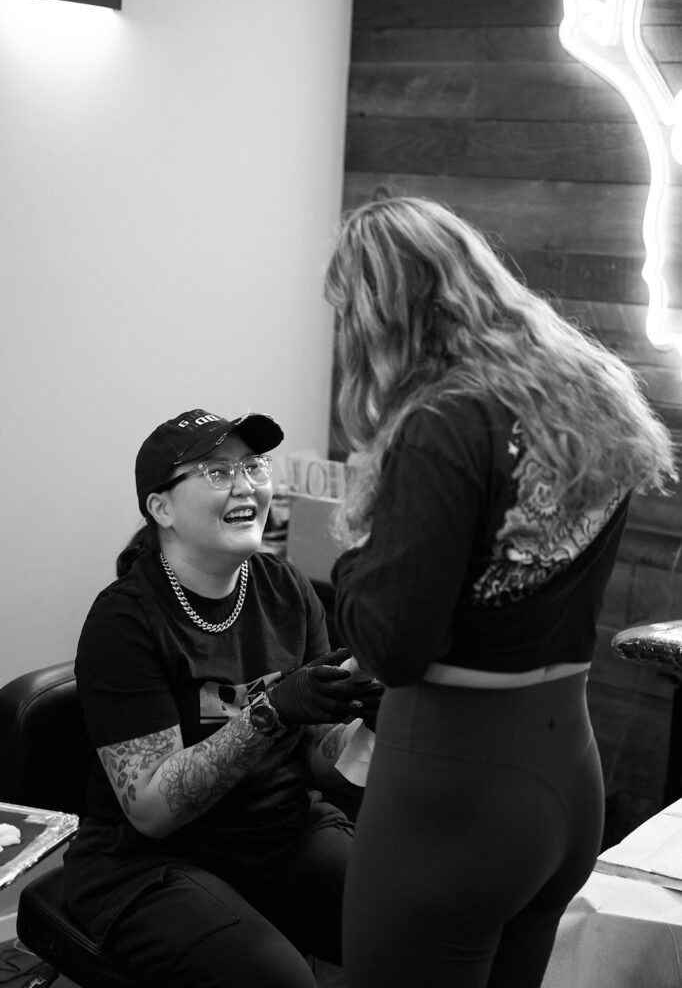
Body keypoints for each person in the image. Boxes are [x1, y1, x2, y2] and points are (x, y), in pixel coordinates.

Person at [323, 196, 677, 988]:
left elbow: (394, 647)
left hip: (456, 789)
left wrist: (352, 553)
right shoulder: (589, 391)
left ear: (379, 313)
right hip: (563, 774)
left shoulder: (444, 423)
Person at [62, 408, 381, 988]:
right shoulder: (125, 621)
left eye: (253, 466)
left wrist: (366, 718)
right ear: (161, 509)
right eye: (214, 472)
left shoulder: (287, 588)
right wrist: (273, 710)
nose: (244, 484)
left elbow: (313, 757)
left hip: (280, 832)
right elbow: (152, 809)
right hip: (150, 863)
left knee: (411, 925)